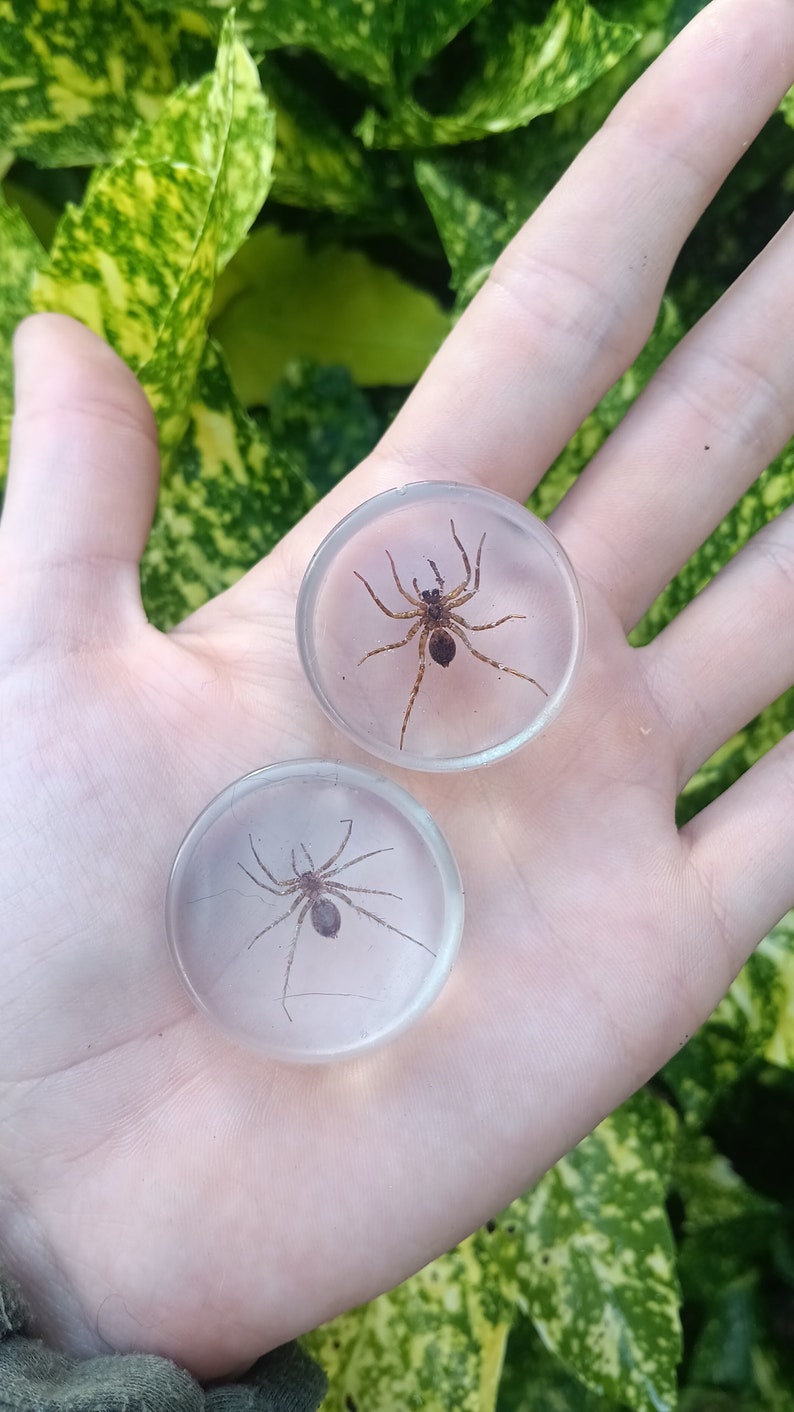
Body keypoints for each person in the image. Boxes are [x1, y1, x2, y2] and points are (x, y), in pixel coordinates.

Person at [2, 0, 794, 1399]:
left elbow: (430, 618)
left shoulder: (433, 622)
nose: (430, 613)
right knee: (361, 844)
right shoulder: (401, 650)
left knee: (387, 786)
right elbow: (403, 633)